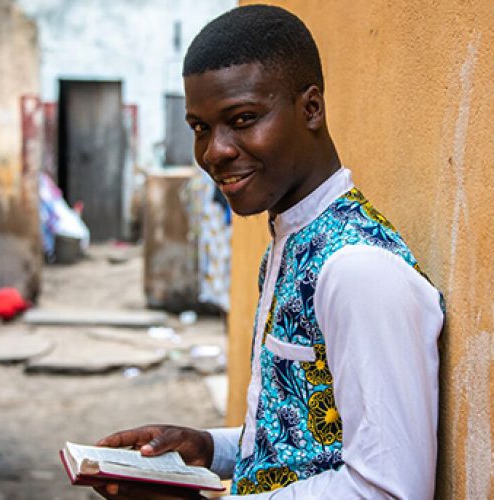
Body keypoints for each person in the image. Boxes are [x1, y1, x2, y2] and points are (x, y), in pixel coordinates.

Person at [94, 5, 444, 499]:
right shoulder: (291, 242)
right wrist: (207, 450)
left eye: (242, 119)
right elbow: (304, 441)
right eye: (200, 127)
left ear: (311, 109)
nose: (215, 151)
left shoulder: (358, 271)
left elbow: (388, 490)